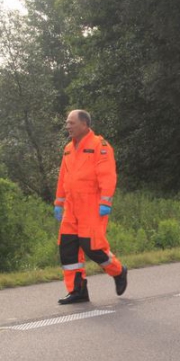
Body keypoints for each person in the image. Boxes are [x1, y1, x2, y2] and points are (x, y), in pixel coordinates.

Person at [54, 110, 127, 304]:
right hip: (71, 206)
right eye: (67, 123)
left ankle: (118, 271)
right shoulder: (68, 148)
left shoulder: (99, 146)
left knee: (93, 247)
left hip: (92, 206)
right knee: (68, 249)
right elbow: (63, 177)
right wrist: (59, 203)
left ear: (84, 124)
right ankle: (78, 291)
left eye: (71, 123)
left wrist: (105, 202)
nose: (67, 126)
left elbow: (107, 176)